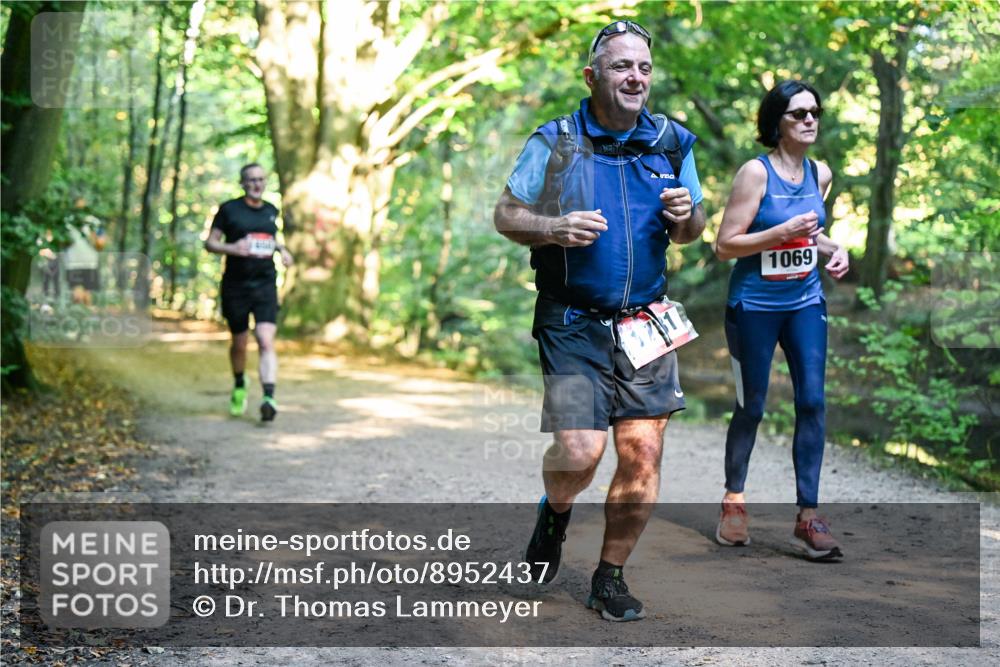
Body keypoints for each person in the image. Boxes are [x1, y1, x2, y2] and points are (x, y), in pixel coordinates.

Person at [494, 20, 706, 622]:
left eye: (642, 67)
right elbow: (506, 214)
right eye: (620, 67)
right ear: (592, 77)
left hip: (647, 324)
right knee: (580, 452)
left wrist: (688, 215)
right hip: (571, 321)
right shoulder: (557, 140)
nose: (634, 77)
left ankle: (609, 576)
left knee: (642, 453)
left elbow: (690, 234)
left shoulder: (672, 143)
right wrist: (552, 228)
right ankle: (555, 511)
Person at [713, 80, 849, 560]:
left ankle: (807, 518)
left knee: (812, 401)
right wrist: (778, 232)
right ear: (776, 123)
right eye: (798, 114)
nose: (810, 120)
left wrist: (838, 249)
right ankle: (734, 503)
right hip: (753, 305)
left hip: (804, 302)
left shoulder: (821, 173)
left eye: (815, 111)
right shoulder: (755, 173)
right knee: (752, 406)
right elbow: (725, 244)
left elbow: (814, 236)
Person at [205, 163, 293, 422]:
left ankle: (268, 397)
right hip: (236, 285)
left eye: (261, 180)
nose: (256, 184)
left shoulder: (270, 211)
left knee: (266, 339)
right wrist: (234, 249)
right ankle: (240, 385)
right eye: (251, 180)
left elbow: (272, 237)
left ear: (265, 182)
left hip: (265, 283)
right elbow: (210, 243)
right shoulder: (229, 210)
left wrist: (283, 250)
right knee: (240, 343)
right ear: (243, 183)